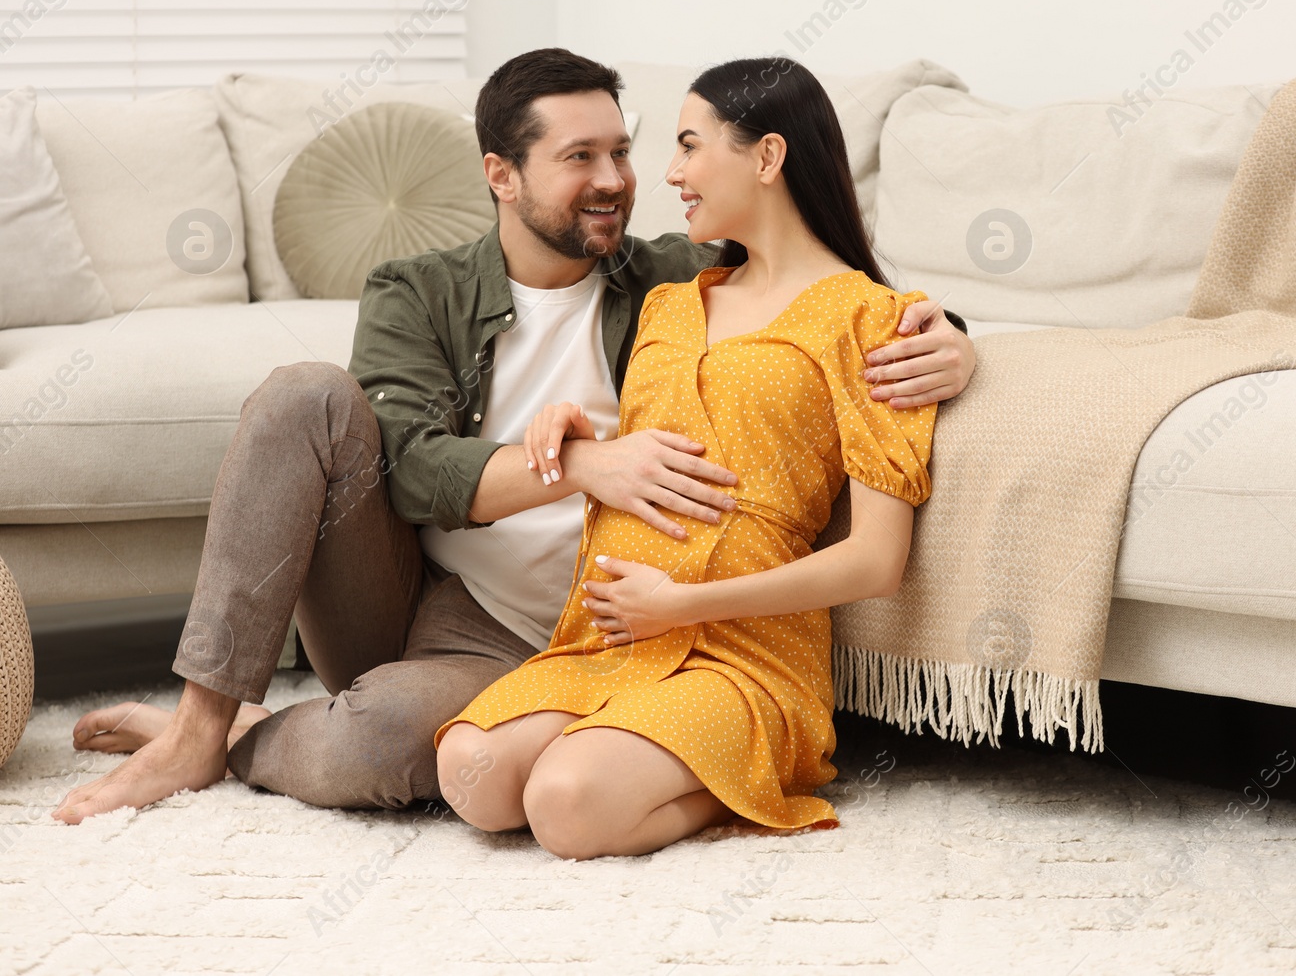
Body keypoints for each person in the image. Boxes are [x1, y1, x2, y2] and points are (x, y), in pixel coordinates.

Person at [53, 49, 974, 823]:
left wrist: (953, 342)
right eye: (580, 156)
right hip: (455, 611)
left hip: (613, 622)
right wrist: (584, 465)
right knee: (303, 396)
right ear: (502, 173)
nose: (616, 181)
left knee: (399, 751)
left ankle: (258, 732)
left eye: (623, 149)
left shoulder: (667, 276)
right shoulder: (420, 290)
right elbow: (411, 472)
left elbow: (823, 298)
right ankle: (198, 730)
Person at [433, 57, 937, 860]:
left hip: (743, 650)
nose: (667, 174)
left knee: (565, 806)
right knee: (470, 771)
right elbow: (652, 447)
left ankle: (755, 775)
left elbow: (878, 560)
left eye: (689, 146)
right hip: (611, 637)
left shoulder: (873, 320)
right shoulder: (671, 303)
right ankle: (629, 752)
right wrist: (574, 434)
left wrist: (685, 606)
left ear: (767, 158)